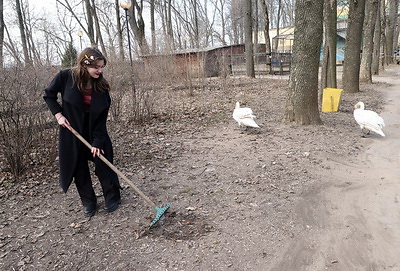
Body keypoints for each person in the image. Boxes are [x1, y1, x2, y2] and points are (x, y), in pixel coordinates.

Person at [44, 47, 121, 217]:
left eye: (102, 67)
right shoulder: (65, 76)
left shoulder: (101, 86)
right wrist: (58, 115)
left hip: (95, 130)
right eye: (97, 67)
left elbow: (102, 118)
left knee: (103, 162)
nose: (100, 71)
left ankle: (112, 196)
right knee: (78, 168)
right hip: (72, 131)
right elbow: (49, 95)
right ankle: (88, 201)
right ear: (85, 65)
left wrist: (98, 141)